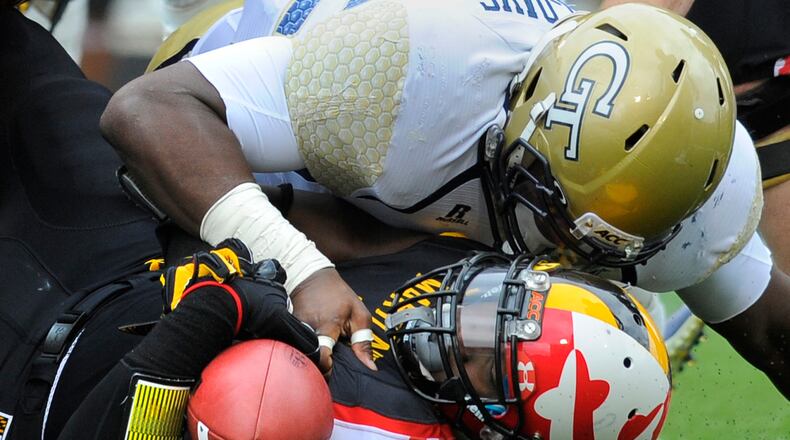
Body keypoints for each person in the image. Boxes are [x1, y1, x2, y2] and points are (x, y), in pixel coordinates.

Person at [101, 0, 789, 396]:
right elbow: (149, 112)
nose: (559, 248)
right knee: (281, 391)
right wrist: (302, 263)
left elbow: (771, 327)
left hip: (385, 209)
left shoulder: (656, 184)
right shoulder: (407, 80)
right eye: (549, 212)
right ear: (519, 107)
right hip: (228, 144)